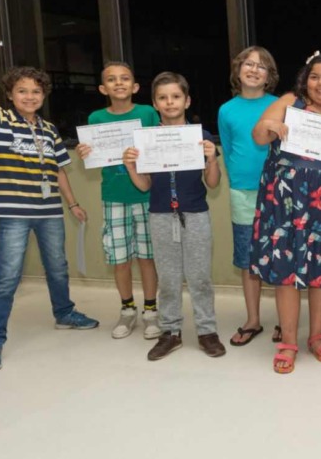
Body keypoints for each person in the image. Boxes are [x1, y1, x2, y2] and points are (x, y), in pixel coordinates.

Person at [0, 37, 99, 374]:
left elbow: (58, 171)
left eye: (36, 91)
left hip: (49, 211)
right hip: (13, 213)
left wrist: (73, 204)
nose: (30, 96)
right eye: (22, 91)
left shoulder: (50, 130)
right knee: (6, 277)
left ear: (43, 96)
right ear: (10, 94)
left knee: (57, 267)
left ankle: (64, 313)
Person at [251, 52, 321, 374]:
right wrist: (270, 124)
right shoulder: (289, 102)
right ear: (305, 80)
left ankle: (317, 335)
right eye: (315, 76)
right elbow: (258, 135)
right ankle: (288, 341)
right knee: (285, 271)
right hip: (283, 202)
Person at [123, 72, 224, 361]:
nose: (170, 102)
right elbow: (144, 185)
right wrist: (131, 166)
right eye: (163, 98)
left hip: (195, 214)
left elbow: (213, 183)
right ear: (155, 103)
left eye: (176, 96)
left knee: (200, 277)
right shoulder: (146, 140)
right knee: (167, 278)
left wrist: (211, 159)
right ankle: (170, 332)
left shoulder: (201, 137)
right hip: (161, 215)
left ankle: (207, 331)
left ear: (187, 100)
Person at [77, 61, 161, 340]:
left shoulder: (148, 112)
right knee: (120, 259)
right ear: (103, 88)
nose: (119, 83)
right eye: (112, 80)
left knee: (147, 258)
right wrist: (86, 152)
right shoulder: (95, 119)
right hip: (113, 197)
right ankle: (127, 310)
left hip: (147, 196)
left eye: (125, 78)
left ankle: (151, 311)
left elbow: (157, 147)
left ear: (135, 86)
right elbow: (94, 155)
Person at [217, 46, 282, 347]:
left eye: (262, 66)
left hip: (278, 190)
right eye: (248, 64)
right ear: (238, 69)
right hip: (242, 192)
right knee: (247, 260)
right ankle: (253, 320)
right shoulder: (226, 110)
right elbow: (228, 150)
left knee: (282, 255)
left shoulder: (280, 105)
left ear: (269, 76)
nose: (254, 70)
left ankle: (285, 320)